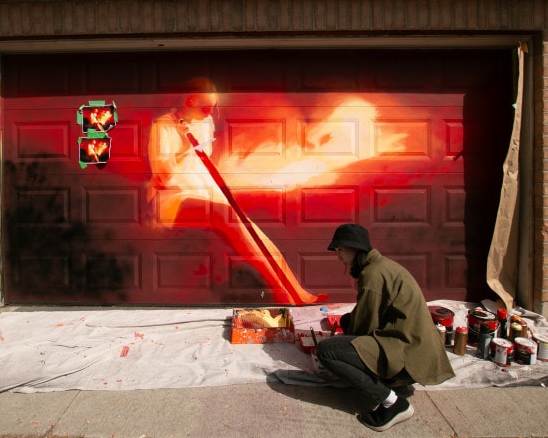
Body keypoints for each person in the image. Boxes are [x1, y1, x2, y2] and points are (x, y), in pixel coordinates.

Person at [147, 77, 325, 305]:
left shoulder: (206, 122)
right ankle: (283, 293)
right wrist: (184, 144)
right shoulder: (164, 126)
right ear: (190, 100)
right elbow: (162, 177)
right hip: (173, 199)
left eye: (213, 107)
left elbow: (203, 162)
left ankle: (296, 293)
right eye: (206, 106)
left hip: (205, 193)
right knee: (226, 214)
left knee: (254, 232)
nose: (211, 111)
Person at [316, 223, 454, 432]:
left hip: (409, 354)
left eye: (340, 250)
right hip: (414, 347)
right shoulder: (380, 266)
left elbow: (363, 328)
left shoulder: (372, 275)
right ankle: (393, 382)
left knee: (327, 351)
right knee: (346, 321)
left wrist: (342, 353)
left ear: (354, 248)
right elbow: (364, 318)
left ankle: (392, 402)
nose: (339, 257)